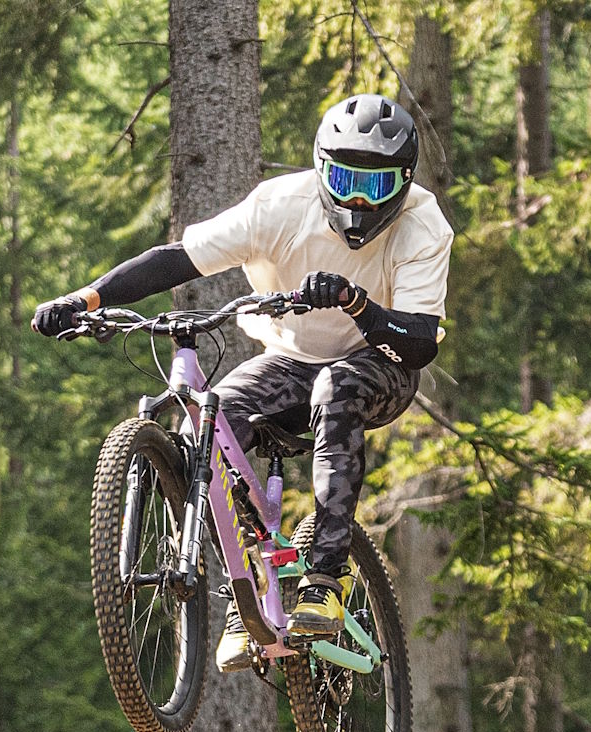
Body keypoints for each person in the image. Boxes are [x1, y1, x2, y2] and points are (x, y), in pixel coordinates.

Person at [33, 93, 453, 673]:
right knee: (207, 425)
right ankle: (247, 590)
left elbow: (419, 344)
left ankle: (325, 579)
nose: (358, 201)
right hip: (288, 359)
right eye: (345, 181)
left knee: (337, 387)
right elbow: (176, 259)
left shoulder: (423, 225)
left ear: (404, 183)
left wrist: (357, 304)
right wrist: (85, 300)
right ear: (320, 169)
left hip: (380, 362)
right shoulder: (278, 206)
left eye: (376, 187)